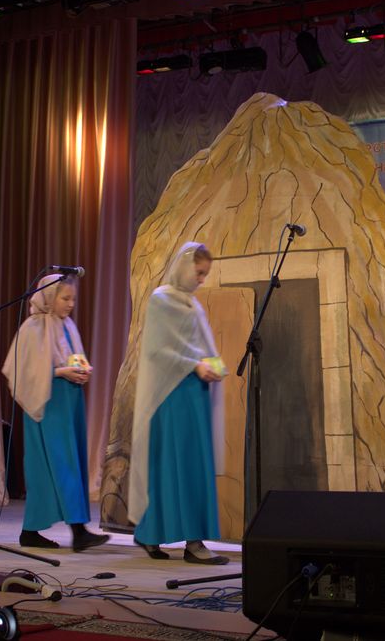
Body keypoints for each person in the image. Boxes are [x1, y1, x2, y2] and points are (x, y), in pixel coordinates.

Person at [129, 242, 229, 565]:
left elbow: (203, 347)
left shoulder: (192, 305)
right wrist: (194, 364)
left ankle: (186, 539)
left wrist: (214, 365)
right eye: (199, 272)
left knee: (194, 466)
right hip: (171, 394)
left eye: (204, 274)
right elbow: (157, 350)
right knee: (171, 465)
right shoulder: (161, 300)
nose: (201, 279)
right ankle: (164, 536)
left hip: (194, 393)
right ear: (185, 267)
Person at [2, 273, 109, 552]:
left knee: (67, 463)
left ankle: (33, 531)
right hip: (47, 403)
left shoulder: (67, 325)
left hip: (69, 400)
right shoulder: (33, 327)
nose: (71, 304)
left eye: (73, 299)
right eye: (65, 298)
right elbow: (24, 372)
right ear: (50, 297)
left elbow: (73, 358)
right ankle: (78, 531)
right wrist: (62, 372)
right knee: (56, 465)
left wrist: (81, 371)